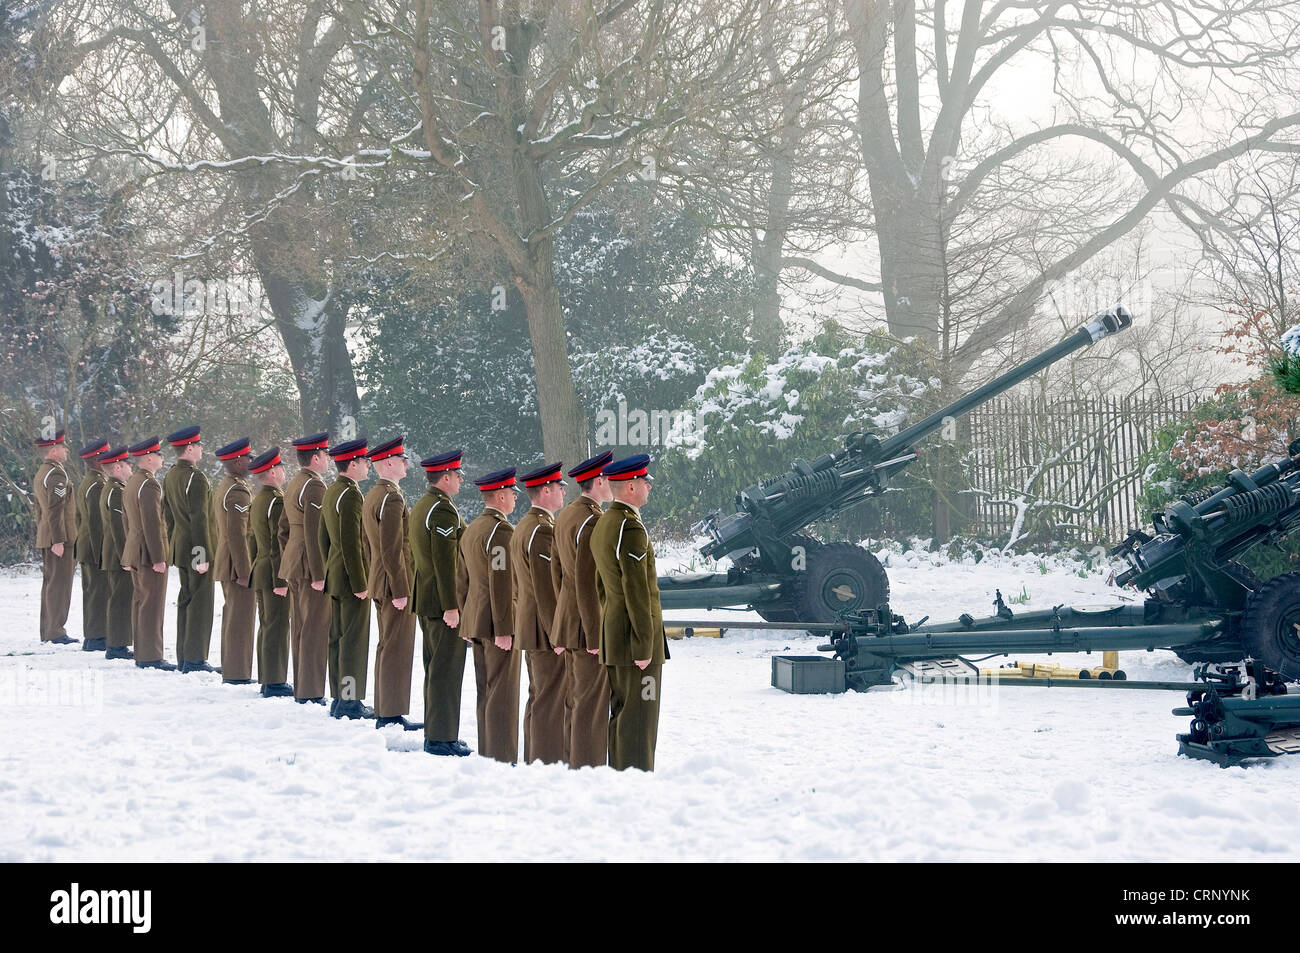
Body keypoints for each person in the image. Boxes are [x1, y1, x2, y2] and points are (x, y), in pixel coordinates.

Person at [591, 454, 668, 771]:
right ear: (632, 487)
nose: (649, 487)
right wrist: (643, 644)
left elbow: (601, 587)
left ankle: (620, 776)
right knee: (639, 717)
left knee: (622, 713)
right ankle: (635, 782)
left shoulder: (606, 523)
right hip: (635, 642)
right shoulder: (629, 528)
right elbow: (637, 591)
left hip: (616, 635)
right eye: (645, 482)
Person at [551, 450, 614, 768]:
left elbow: (558, 574)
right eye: (610, 479)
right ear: (599, 482)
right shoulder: (593, 520)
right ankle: (587, 770)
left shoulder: (567, 515)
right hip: (586, 625)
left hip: (569, 619)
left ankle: (571, 761)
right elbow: (588, 583)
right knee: (591, 702)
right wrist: (594, 635)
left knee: (576, 700)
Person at [409, 450, 472, 757]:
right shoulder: (442, 511)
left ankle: (436, 733)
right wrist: (452, 605)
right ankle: (441, 738)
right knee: (445, 670)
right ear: (445, 477)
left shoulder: (424, 505)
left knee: (435, 668)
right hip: (441, 603)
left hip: (428, 598)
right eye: (458, 475)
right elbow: (444, 562)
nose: (461, 480)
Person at [459, 467, 521, 763]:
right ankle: (500, 755)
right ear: (500, 495)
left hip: (477, 618)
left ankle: (488, 752)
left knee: (486, 689)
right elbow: (501, 582)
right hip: (497, 623)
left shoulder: (473, 528)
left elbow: (462, 580)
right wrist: (505, 628)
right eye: (512, 493)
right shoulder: (500, 531)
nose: (514, 499)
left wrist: (467, 618)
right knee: (502, 693)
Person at [512, 461, 567, 764]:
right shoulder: (541, 530)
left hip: (533, 627)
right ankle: (546, 763)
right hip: (544, 631)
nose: (562, 492)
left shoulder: (527, 525)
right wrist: (557, 632)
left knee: (539, 696)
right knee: (549, 698)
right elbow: (546, 589)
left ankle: (536, 757)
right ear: (546, 490)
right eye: (559, 487)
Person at [364, 436, 420, 730]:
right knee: (396, 647)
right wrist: (401, 588)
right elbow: (391, 548)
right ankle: (391, 714)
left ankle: (385, 709)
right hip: (392, 583)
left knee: (387, 645)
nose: (406, 463)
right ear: (388, 463)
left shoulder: (375, 494)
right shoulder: (392, 497)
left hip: (380, 579)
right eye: (401, 459)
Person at [318, 438, 373, 719]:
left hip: (336, 573)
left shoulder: (332, 491)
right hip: (351, 577)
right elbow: (353, 543)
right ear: (352, 464)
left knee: (338, 638)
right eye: (364, 461)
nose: (367, 466)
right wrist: (361, 582)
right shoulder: (351, 494)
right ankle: (349, 702)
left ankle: (340, 697)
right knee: (352, 641)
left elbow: (323, 537)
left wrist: (330, 569)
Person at [279, 433, 330, 705]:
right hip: (309, 565)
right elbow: (314, 532)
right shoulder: (314, 486)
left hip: (295, 560)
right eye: (325, 455)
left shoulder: (296, 482)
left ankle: (303, 686)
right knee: (314, 627)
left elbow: (283, 529)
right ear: (315, 458)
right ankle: (310, 690)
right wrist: (319, 573)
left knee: (300, 625)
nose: (328, 459)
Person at [162, 425, 217, 673]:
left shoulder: (171, 475)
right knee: (200, 602)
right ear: (190, 448)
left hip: (181, 545)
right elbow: (199, 518)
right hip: (196, 549)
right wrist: (202, 554)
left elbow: (169, 516)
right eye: (199, 445)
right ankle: (195, 659)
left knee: (186, 599)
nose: (202, 449)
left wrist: (175, 543)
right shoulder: (195, 477)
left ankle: (185, 656)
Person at [121, 437, 175, 670]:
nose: (162, 458)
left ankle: (143, 652)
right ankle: (150, 655)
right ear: (150, 458)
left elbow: (126, 520)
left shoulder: (133, 481)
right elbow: (152, 523)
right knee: (152, 604)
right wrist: (158, 557)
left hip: (136, 549)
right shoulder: (149, 484)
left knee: (141, 601)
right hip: (148, 553)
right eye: (159, 454)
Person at [249, 447, 293, 697]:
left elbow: (254, 540)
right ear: (273, 472)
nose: (284, 472)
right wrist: (281, 577)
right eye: (282, 468)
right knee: (275, 625)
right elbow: (278, 542)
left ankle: (268, 677)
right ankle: (275, 681)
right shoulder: (276, 500)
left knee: (267, 624)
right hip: (273, 570)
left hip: (261, 567)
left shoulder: (259, 499)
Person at [213, 438, 256, 685]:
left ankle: (233, 669)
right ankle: (237, 673)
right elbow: (237, 534)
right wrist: (244, 569)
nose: (251, 462)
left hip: (229, 561)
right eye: (247, 458)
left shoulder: (228, 485)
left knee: (235, 616)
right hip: (235, 563)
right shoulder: (237, 490)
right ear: (237, 461)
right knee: (240, 618)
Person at [33, 428, 78, 645]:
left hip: (47, 534)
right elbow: (55, 508)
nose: (66, 449)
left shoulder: (43, 471)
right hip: (58, 538)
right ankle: (56, 631)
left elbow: (39, 510)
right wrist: (58, 539)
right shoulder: (57, 474)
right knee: (59, 585)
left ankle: (49, 629)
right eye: (62, 446)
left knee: (51, 584)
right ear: (53, 450)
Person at [97, 445, 134, 659]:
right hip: (118, 553)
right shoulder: (117, 490)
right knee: (120, 599)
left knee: (119, 597)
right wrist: (125, 557)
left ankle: (117, 643)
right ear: (118, 467)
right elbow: (119, 528)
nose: (130, 466)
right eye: (127, 463)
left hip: (114, 552)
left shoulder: (113, 488)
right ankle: (117, 645)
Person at [74, 437, 110, 652]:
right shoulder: (97, 484)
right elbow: (97, 523)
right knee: (98, 592)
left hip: (87, 545)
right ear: (97, 461)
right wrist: (102, 553)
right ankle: (97, 636)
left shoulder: (90, 480)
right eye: (104, 458)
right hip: (94, 546)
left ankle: (93, 635)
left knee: (92, 591)